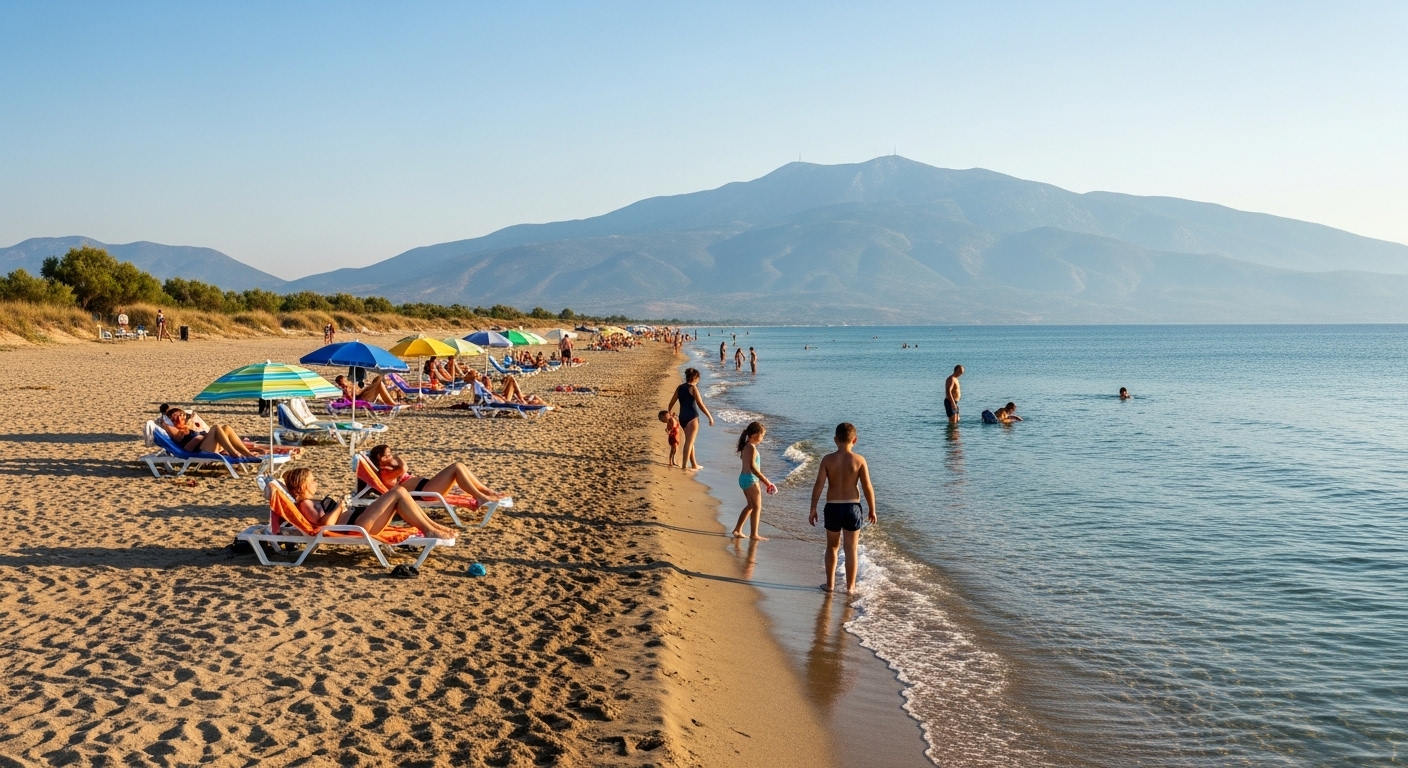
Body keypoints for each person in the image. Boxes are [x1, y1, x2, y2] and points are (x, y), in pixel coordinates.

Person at [283, 466, 457, 540]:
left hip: (359, 519)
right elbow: (326, 525)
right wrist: (339, 505)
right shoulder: (304, 504)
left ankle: (432, 527)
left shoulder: (310, 501)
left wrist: (340, 507)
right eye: (312, 481)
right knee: (398, 491)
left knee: (401, 492)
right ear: (302, 484)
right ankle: (429, 530)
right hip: (357, 524)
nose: (316, 483)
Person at [809, 422, 877, 594]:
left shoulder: (827, 460)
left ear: (835, 440)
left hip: (832, 507)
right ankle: (850, 587)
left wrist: (813, 508)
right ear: (854, 440)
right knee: (851, 548)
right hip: (852, 508)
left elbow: (818, 485)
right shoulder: (859, 460)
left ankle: (830, 585)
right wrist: (872, 509)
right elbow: (867, 486)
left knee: (832, 547)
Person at [364, 444, 505, 506]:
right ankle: (480, 497)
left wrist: (392, 459)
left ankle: (486, 492)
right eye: (388, 455)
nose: (392, 456)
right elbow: (404, 467)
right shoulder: (385, 473)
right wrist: (397, 458)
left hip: (425, 487)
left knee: (460, 466)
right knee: (456, 467)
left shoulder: (389, 469)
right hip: (425, 492)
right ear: (381, 459)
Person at [731, 421, 777, 540]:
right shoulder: (751, 448)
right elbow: (753, 467)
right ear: (756, 435)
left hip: (743, 478)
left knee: (750, 506)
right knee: (757, 507)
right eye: (762, 436)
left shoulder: (746, 445)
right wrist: (766, 481)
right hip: (751, 479)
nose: (762, 438)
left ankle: (737, 529)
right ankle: (754, 534)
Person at [162, 408, 262, 458]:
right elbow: (187, 449)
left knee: (226, 427)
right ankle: (234, 453)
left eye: (181, 415)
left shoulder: (189, 427)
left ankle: (247, 453)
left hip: (208, 447)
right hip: (200, 451)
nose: (179, 417)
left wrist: (203, 435)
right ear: (171, 420)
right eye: (175, 416)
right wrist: (201, 437)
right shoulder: (177, 433)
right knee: (215, 427)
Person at [666, 368, 714, 470]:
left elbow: (671, 403)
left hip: (683, 418)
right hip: (692, 418)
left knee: (690, 441)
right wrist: (710, 417)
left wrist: (670, 413)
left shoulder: (680, 388)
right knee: (689, 442)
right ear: (695, 378)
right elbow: (700, 405)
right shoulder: (693, 388)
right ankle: (684, 466)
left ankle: (694, 464)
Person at [334, 373, 399, 406]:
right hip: (364, 398)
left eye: (344, 382)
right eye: (341, 384)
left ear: (346, 380)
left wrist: (366, 389)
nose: (344, 385)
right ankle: (391, 403)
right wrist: (348, 395)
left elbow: (360, 391)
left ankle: (388, 401)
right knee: (379, 383)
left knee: (378, 378)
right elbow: (354, 401)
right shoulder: (346, 391)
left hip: (365, 393)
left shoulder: (351, 384)